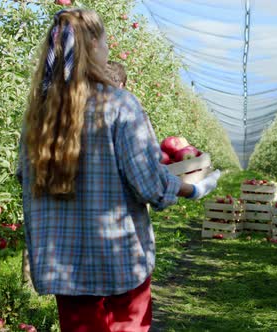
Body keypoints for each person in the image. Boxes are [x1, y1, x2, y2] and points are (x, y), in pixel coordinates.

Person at [16, 8, 220, 331]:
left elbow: (24, 177)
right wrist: (193, 188)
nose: (108, 49)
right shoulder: (119, 105)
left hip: (65, 267)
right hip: (120, 263)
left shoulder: (39, 117)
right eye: (106, 42)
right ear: (94, 46)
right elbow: (149, 184)